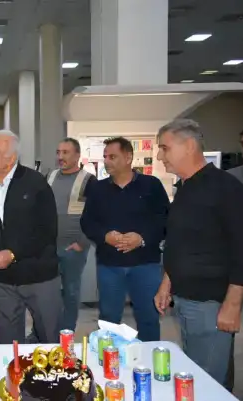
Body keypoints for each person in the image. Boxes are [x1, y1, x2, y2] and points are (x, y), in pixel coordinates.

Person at [153, 119, 243, 390]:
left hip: (211, 303)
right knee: (195, 371)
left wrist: (233, 304)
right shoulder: (186, 187)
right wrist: (166, 283)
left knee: (209, 382)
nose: (159, 156)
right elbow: (180, 242)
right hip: (186, 299)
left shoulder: (225, 188)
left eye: (165, 148)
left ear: (189, 146)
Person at [0, 130, 61, 344]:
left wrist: (13, 253)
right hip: (2, 280)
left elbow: (47, 231)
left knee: (50, 340)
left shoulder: (35, 183)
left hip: (39, 276)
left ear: (11, 158)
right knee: (8, 344)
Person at [80, 136, 169, 342]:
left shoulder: (151, 185)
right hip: (110, 265)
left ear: (128, 157)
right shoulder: (97, 189)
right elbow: (87, 222)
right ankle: (107, 358)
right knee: (109, 319)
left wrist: (142, 238)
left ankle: (147, 356)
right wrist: (105, 236)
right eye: (105, 157)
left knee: (148, 317)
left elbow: (165, 220)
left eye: (112, 157)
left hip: (145, 264)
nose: (106, 161)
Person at [46, 138, 97, 331]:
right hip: (49, 248)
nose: (60, 156)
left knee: (70, 292)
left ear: (77, 155)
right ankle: (45, 331)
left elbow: (96, 214)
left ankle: (66, 333)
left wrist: (82, 243)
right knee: (46, 294)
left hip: (73, 249)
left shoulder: (88, 180)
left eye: (65, 152)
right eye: (58, 152)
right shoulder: (49, 176)